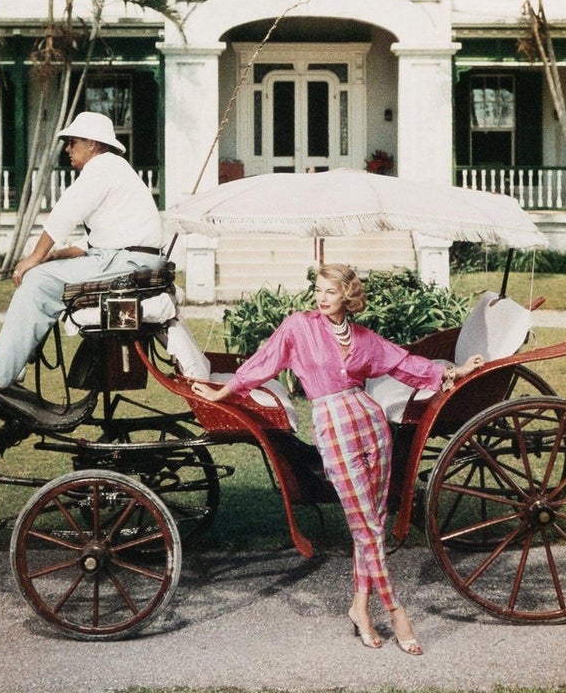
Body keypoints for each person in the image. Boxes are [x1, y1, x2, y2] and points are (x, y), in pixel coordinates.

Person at [191, 263, 484, 656]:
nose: (321, 296)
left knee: (374, 521)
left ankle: (360, 608)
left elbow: (403, 364)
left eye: (330, 290)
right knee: (365, 526)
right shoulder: (299, 327)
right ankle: (396, 610)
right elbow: (262, 363)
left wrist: (455, 372)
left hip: (371, 424)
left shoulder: (362, 336)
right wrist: (222, 392)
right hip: (333, 427)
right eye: (318, 289)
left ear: (348, 295)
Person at [0, 111, 163, 390]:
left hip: (127, 261)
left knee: (38, 280)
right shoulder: (115, 169)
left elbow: (64, 214)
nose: (68, 149)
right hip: (129, 258)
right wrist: (54, 256)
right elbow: (101, 238)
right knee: (44, 273)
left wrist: (33, 259)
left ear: (92, 144)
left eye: (72, 142)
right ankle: (16, 362)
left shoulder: (102, 167)